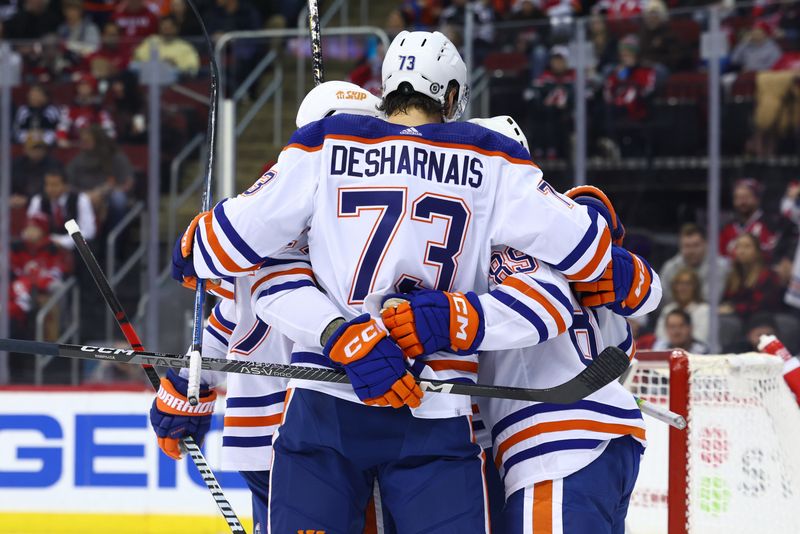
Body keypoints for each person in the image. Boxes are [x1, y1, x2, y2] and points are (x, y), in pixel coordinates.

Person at [171, 30, 613, 532]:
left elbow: (225, 246)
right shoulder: (494, 158)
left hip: (325, 395)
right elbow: (589, 249)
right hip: (437, 397)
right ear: (450, 96)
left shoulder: (326, 141)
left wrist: (197, 246)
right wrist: (598, 216)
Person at [151, 80, 384, 534]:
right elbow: (238, 315)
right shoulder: (275, 213)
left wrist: (191, 383)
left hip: (325, 429)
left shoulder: (266, 216)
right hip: (309, 431)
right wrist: (191, 381)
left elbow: (233, 311)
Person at [65, 125, 134, 229]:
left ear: (98, 140)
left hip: (109, 196)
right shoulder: (78, 160)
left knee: (118, 199)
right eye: (82, 140)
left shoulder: (115, 157)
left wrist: (103, 193)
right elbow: (68, 184)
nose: (83, 143)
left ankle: (115, 238)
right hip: (84, 195)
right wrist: (86, 195)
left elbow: (128, 183)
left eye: (87, 140)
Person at [603, 35, 657, 157]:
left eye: (628, 52)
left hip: (637, 110)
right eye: (623, 53)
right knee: (605, 110)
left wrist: (631, 86)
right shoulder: (616, 71)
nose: (625, 56)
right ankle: (611, 145)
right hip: (617, 110)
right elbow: (608, 91)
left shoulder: (645, 70)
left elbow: (647, 90)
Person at [660, 223, 730, 305]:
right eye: (687, 246)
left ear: (705, 244)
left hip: (705, 313)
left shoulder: (719, 266)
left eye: (696, 245)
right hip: (674, 312)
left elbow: (710, 300)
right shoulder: (671, 266)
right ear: (680, 247)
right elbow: (662, 298)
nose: (691, 251)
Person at [27, 168, 96, 250]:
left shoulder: (80, 199)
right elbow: (30, 227)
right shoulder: (38, 200)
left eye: (55, 185)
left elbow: (89, 231)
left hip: (74, 249)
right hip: (47, 248)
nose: (50, 189)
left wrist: (63, 241)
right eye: (47, 185)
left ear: (66, 186)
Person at [525, 45, 574, 160]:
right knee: (542, 113)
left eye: (560, 60)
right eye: (554, 60)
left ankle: (555, 150)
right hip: (545, 115)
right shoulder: (544, 78)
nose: (557, 63)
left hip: (566, 115)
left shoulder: (573, 78)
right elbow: (529, 94)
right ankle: (540, 149)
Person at [720, 233, 783, 321]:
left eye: (747, 247)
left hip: (762, 321)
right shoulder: (733, 276)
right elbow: (725, 300)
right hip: (736, 318)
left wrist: (734, 308)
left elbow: (761, 306)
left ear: (757, 252)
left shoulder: (767, 275)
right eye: (738, 247)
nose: (741, 251)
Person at [719, 178, 778, 260]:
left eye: (746, 197)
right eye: (738, 198)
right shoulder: (726, 229)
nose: (742, 202)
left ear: (757, 199)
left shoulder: (772, 225)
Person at [56, 73, 116, 146]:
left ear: (92, 88)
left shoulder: (99, 109)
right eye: (80, 86)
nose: (82, 89)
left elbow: (109, 131)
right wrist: (62, 139)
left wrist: (102, 143)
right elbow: (62, 127)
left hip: (96, 147)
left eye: (86, 86)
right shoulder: (70, 108)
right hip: (74, 145)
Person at [655, 268, 710, 345]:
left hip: (697, 353)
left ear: (696, 287)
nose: (683, 288)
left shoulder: (705, 310)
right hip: (670, 350)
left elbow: (700, 338)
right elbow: (660, 335)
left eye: (688, 284)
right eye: (679, 284)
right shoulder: (668, 309)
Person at [132, 15, 200, 76]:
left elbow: (192, 69)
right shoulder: (151, 41)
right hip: (150, 78)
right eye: (164, 27)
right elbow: (137, 58)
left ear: (176, 28)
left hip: (177, 82)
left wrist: (175, 65)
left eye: (169, 27)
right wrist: (160, 64)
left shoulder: (185, 47)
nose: (167, 30)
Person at [11, 133, 62, 209]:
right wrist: (11, 197)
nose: (37, 151)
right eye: (34, 148)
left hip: (44, 205)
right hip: (16, 202)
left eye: (40, 148)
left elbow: (52, 189)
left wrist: (28, 200)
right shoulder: (16, 165)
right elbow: (9, 184)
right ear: (25, 149)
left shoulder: (53, 165)